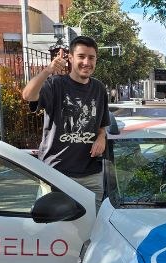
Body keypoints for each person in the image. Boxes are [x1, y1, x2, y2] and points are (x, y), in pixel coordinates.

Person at [22, 36, 110, 209]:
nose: (86, 62)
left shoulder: (99, 88)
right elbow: (28, 95)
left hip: (91, 175)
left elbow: (102, 124)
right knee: (54, 228)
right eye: (81, 56)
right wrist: (47, 70)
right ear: (70, 57)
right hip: (57, 173)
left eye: (91, 58)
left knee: (95, 228)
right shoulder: (55, 84)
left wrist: (102, 137)